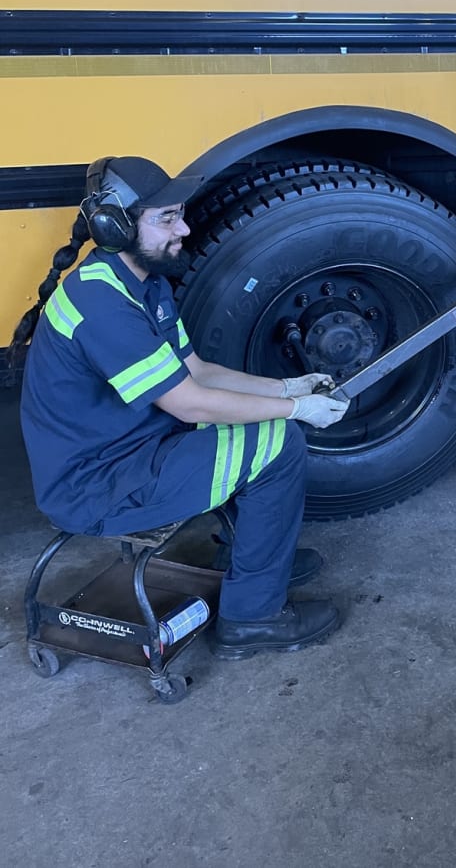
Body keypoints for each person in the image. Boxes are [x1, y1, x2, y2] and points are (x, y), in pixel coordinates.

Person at [10, 155, 351, 660]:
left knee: (261, 430)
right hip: (98, 485)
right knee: (280, 444)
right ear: (115, 225)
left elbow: (197, 370)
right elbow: (190, 402)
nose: (184, 228)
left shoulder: (143, 284)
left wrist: (287, 386)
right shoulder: (101, 305)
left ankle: (253, 556)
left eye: (179, 214)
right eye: (166, 218)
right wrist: (295, 411)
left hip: (134, 450)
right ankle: (252, 616)